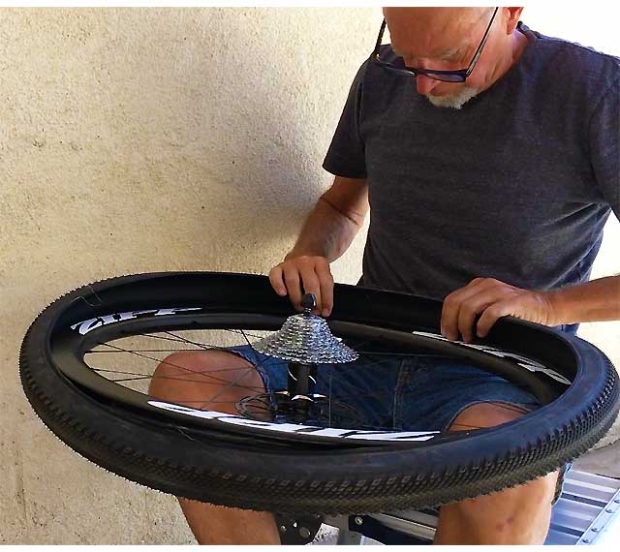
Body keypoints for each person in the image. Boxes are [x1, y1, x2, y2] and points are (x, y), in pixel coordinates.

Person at [149, 7, 619, 544]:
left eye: (449, 60)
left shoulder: (597, 93)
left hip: (500, 376)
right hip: (361, 354)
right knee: (187, 381)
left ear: (510, 12)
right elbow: (341, 206)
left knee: (508, 466)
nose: (422, 84)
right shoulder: (381, 75)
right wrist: (310, 254)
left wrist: (547, 305)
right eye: (408, 58)